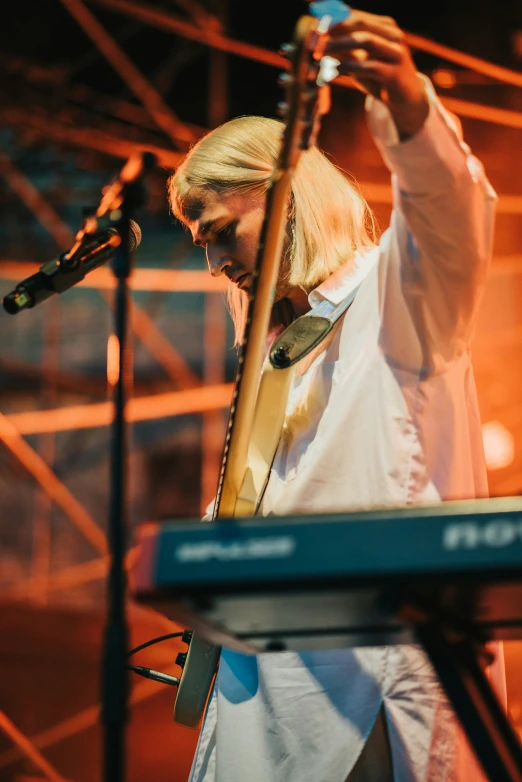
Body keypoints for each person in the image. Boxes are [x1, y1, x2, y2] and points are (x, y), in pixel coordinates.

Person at [168, 7, 504, 782]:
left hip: (369, 688)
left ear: (283, 193)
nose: (217, 262)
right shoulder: (272, 357)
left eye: (222, 231)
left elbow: (448, 211)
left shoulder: (395, 293)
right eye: (203, 244)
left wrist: (407, 99)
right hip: (263, 700)